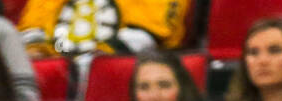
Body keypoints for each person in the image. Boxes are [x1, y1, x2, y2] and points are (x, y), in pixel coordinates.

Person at [16, 0, 190, 57]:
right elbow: (31, 31)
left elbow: (145, 36)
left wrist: (88, 64)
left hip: (125, 75)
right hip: (56, 73)